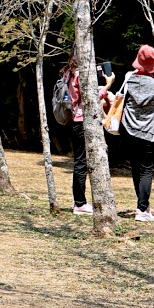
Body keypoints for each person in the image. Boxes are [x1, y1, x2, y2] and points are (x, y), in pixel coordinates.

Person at [120, 44, 154, 222]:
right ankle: (142, 209)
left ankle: (142, 204)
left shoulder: (129, 80)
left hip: (129, 129)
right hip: (149, 132)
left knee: (135, 167)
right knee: (146, 169)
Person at [63, 53, 115, 215]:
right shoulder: (79, 74)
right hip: (82, 121)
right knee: (81, 163)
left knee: (80, 162)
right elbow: (90, 99)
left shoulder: (68, 73)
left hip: (74, 120)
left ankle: (80, 201)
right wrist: (107, 85)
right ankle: (79, 203)